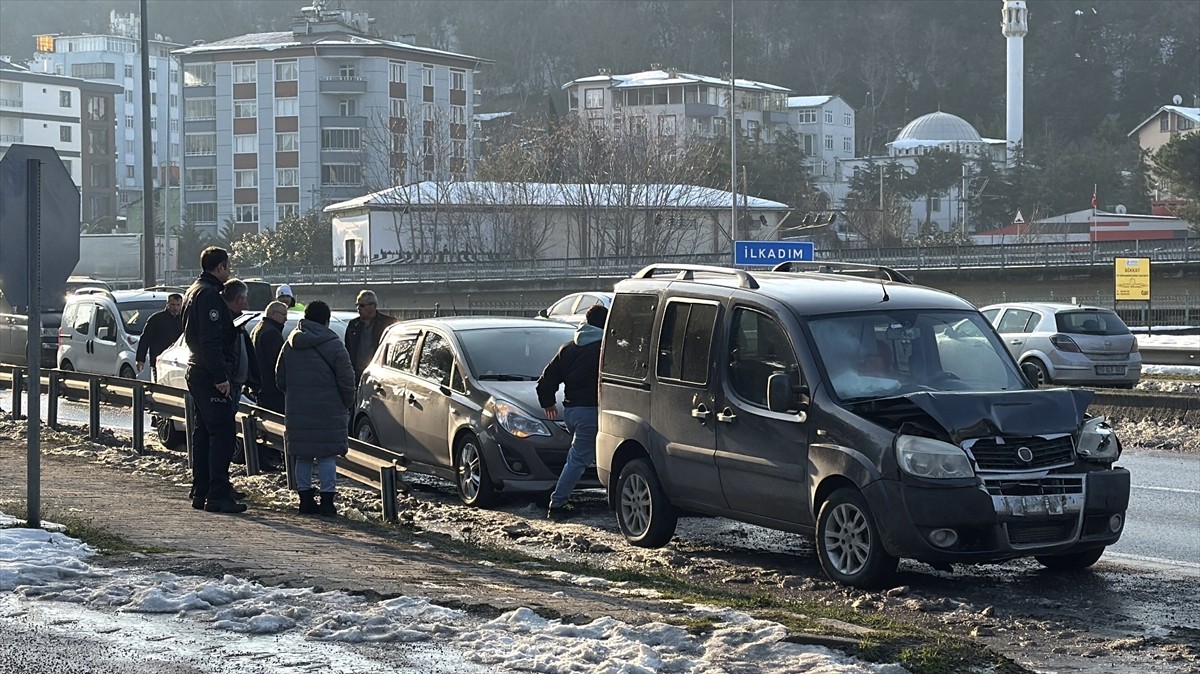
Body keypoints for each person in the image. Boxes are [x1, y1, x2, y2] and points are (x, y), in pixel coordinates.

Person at [276, 300, 356, 516]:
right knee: (327, 457)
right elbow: (347, 380)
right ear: (326, 320)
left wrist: (295, 395)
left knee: (302, 456)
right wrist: (347, 402)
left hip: (298, 409)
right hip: (329, 411)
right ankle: (328, 503)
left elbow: (280, 378)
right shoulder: (334, 345)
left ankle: (305, 501)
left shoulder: (290, 344)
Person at [181, 246, 245, 514]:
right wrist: (221, 376)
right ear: (220, 267)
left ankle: (202, 489)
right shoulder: (209, 295)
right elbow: (210, 339)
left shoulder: (192, 291)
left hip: (197, 369)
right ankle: (217, 493)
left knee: (204, 431)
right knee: (222, 433)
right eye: (227, 267)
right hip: (209, 373)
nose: (228, 271)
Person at [536, 304, 607, 521]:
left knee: (581, 457)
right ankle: (557, 503)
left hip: (572, 412)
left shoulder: (568, 348)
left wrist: (548, 404)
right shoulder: (604, 348)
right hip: (592, 412)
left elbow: (545, 381)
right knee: (577, 460)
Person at [344, 289, 397, 383]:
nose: (358, 309)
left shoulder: (387, 323)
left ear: (373, 306)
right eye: (357, 305)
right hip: (357, 373)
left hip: (379, 374)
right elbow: (348, 349)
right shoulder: (353, 325)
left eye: (362, 305)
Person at [221, 279, 260, 400]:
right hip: (227, 383)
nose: (246, 301)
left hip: (236, 382)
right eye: (245, 297)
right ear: (239, 299)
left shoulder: (238, 320)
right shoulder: (225, 321)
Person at [250, 300, 289, 414]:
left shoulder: (259, 329)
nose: (285, 319)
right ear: (273, 314)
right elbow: (277, 362)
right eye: (284, 315)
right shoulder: (271, 333)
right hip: (271, 389)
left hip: (261, 386)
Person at [135, 293, 183, 381]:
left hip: (178, 361)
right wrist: (140, 359)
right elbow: (145, 340)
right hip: (158, 359)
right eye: (172, 305)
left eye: (178, 305)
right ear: (167, 304)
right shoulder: (156, 319)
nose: (175, 308)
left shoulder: (184, 320)